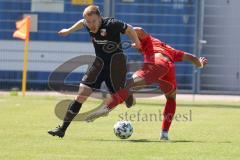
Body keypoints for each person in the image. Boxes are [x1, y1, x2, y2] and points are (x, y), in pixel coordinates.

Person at [85, 27, 208, 140]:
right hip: (167, 69)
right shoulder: (170, 49)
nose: (138, 50)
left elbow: (139, 30)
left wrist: (123, 30)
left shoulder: (148, 40)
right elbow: (191, 57)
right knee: (171, 98)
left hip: (155, 65)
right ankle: (164, 134)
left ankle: (106, 108)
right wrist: (200, 64)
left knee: (126, 86)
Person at [48, 5, 141, 138]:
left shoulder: (112, 24)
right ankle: (62, 129)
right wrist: (69, 30)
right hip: (99, 65)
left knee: (125, 101)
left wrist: (136, 42)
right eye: (89, 21)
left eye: (94, 21)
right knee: (81, 96)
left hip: (116, 67)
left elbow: (130, 29)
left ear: (100, 18)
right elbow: (81, 23)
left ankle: (127, 93)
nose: (91, 25)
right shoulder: (86, 23)